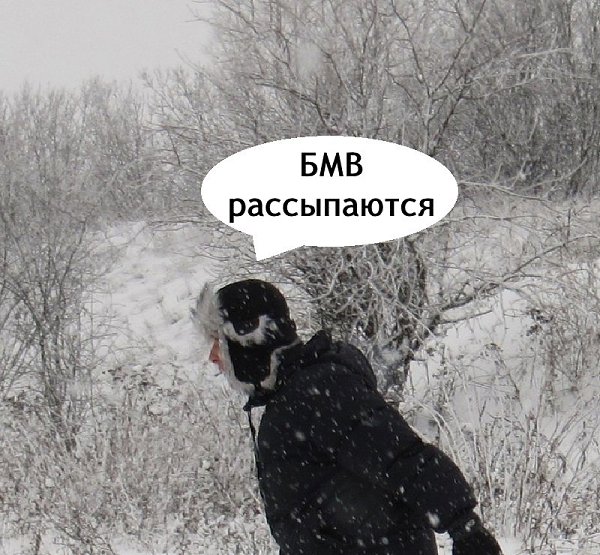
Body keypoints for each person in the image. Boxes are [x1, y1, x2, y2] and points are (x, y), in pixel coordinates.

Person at [193, 278, 503, 555]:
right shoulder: (290, 399)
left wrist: (465, 527)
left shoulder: (318, 392)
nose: (213, 357)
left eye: (218, 343)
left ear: (248, 340)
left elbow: (402, 457)